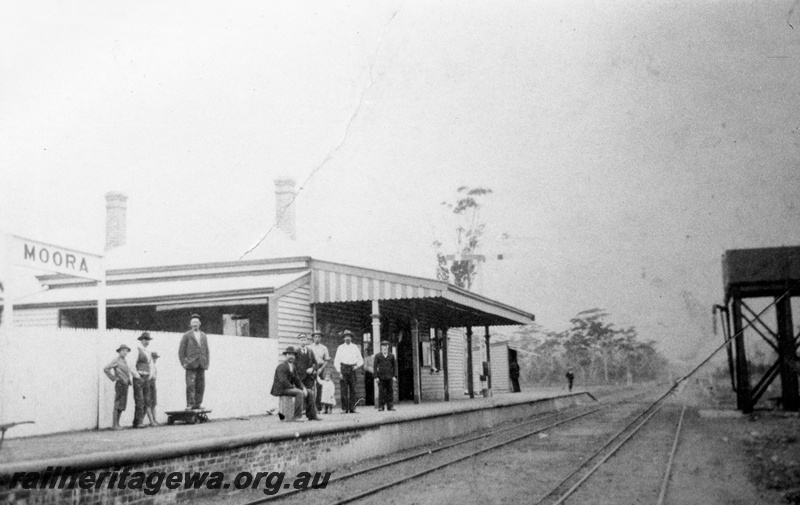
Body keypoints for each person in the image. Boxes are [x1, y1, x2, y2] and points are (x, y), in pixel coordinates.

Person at [178, 313, 210, 410]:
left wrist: (207, 362)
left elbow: (206, 350)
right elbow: (181, 351)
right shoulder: (187, 335)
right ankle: (190, 404)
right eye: (192, 322)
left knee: (200, 385)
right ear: (190, 324)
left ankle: (198, 404)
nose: (194, 324)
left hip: (201, 363)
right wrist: (184, 363)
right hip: (191, 364)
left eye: (196, 322)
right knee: (190, 385)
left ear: (200, 323)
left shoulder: (203, 335)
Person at [270, 346, 306, 421]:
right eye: (289, 354)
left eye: (293, 355)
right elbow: (283, 381)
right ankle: (297, 416)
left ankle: (313, 415)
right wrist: (294, 388)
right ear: (285, 356)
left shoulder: (293, 366)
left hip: (288, 388)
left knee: (309, 392)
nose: (291, 356)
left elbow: (297, 380)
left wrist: (304, 388)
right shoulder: (281, 366)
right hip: (281, 389)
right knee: (299, 393)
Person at [103, 344, 133, 430]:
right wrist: (114, 378)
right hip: (120, 384)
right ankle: (114, 425)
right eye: (123, 350)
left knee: (122, 404)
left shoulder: (125, 361)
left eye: (126, 350)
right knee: (118, 403)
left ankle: (117, 424)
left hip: (125, 384)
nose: (124, 352)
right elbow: (106, 368)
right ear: (119, 351)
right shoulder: (116, 360)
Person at [333, 330, 363, 414]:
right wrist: (339, 372)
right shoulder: (340, 347)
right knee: (344, 389)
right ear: (343, 338)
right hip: (343, 368)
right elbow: (336, 361)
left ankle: (353, 408)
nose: (347, 338)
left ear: (351, 338)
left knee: (353, 389)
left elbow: (361, 360)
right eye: (346, 336)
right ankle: (344, 408)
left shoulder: (355, 347)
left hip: (352, 369)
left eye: (349, 336)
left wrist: (357, 366)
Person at [294, 334, 320, 421]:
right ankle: (298, 415)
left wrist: (312, 369)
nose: (303, 341)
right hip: (299, 378)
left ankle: (312, 415)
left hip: (309, 378)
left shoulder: (310, 351)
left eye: (304, 339)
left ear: (307, 341)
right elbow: (293, 366)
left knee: (310, 395)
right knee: (301, 394)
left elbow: (316, 364)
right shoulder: (296, 351)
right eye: (301, 339)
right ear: (299, 341)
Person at [132, 332, 153, 428]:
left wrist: (150, 375)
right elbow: (132, 365)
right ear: (141, 340)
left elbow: (151, 365)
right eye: (145, 339)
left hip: (146, 377)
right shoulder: (137, 350)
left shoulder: (148, 352)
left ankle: (139, 421)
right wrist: (137, 376)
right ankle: (138, 422)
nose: (147, 341)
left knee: (146, 400)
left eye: (148, 339)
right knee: (139, 399)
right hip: (139, 377)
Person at [309, 332, 331, 412]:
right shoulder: (309, 347)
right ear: (313, 338)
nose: (317, 338)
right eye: (315, 337)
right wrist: (312, 368)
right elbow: (308, 359)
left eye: (319, 337)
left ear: (320, 338)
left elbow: (326, 360)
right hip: (311, 367)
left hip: (321, 367)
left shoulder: (324, 348)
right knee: (310, 387)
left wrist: (321, 369)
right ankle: (310, 407)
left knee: (320, 387)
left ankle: (318, 407)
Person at [373, 340, 397, 411]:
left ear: (388, 347)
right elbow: (375, 366)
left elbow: (395, 366)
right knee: (381, 392)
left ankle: (390, 406)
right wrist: (376, 377)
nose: (385, 348)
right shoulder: (378, 356)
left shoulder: (391, 356)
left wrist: (394, 376)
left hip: (389, 376)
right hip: (381, 377)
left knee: (390, 391)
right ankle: (381, 406)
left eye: (386, 346)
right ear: (381, 347)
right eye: (383, 346)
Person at [147, 352, 160, 426]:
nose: (155, 359)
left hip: (153, 383)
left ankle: (154, 419)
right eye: (154, 358)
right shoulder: (148, 366)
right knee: (148, 402)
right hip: (148, 382)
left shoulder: (154, 367)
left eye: (156, 358)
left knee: (154, 403)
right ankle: (151, 421)